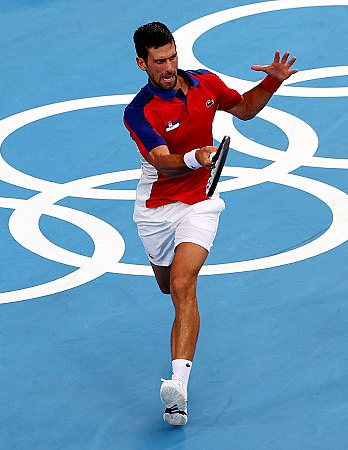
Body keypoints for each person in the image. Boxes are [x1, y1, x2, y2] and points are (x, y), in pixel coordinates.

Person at [123, 21, 297, 426]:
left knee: (184, 284)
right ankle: (178, 383)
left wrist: (271, 84)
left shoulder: (205, 84)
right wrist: (194, 157)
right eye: (158, 61)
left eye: (172, 57)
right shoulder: (138, 112)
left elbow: (245, 109)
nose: (168, 67)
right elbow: (163, 163)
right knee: (166, 285)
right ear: (141, 64)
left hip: (200, 200)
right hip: (156, 208)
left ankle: (178, 390)